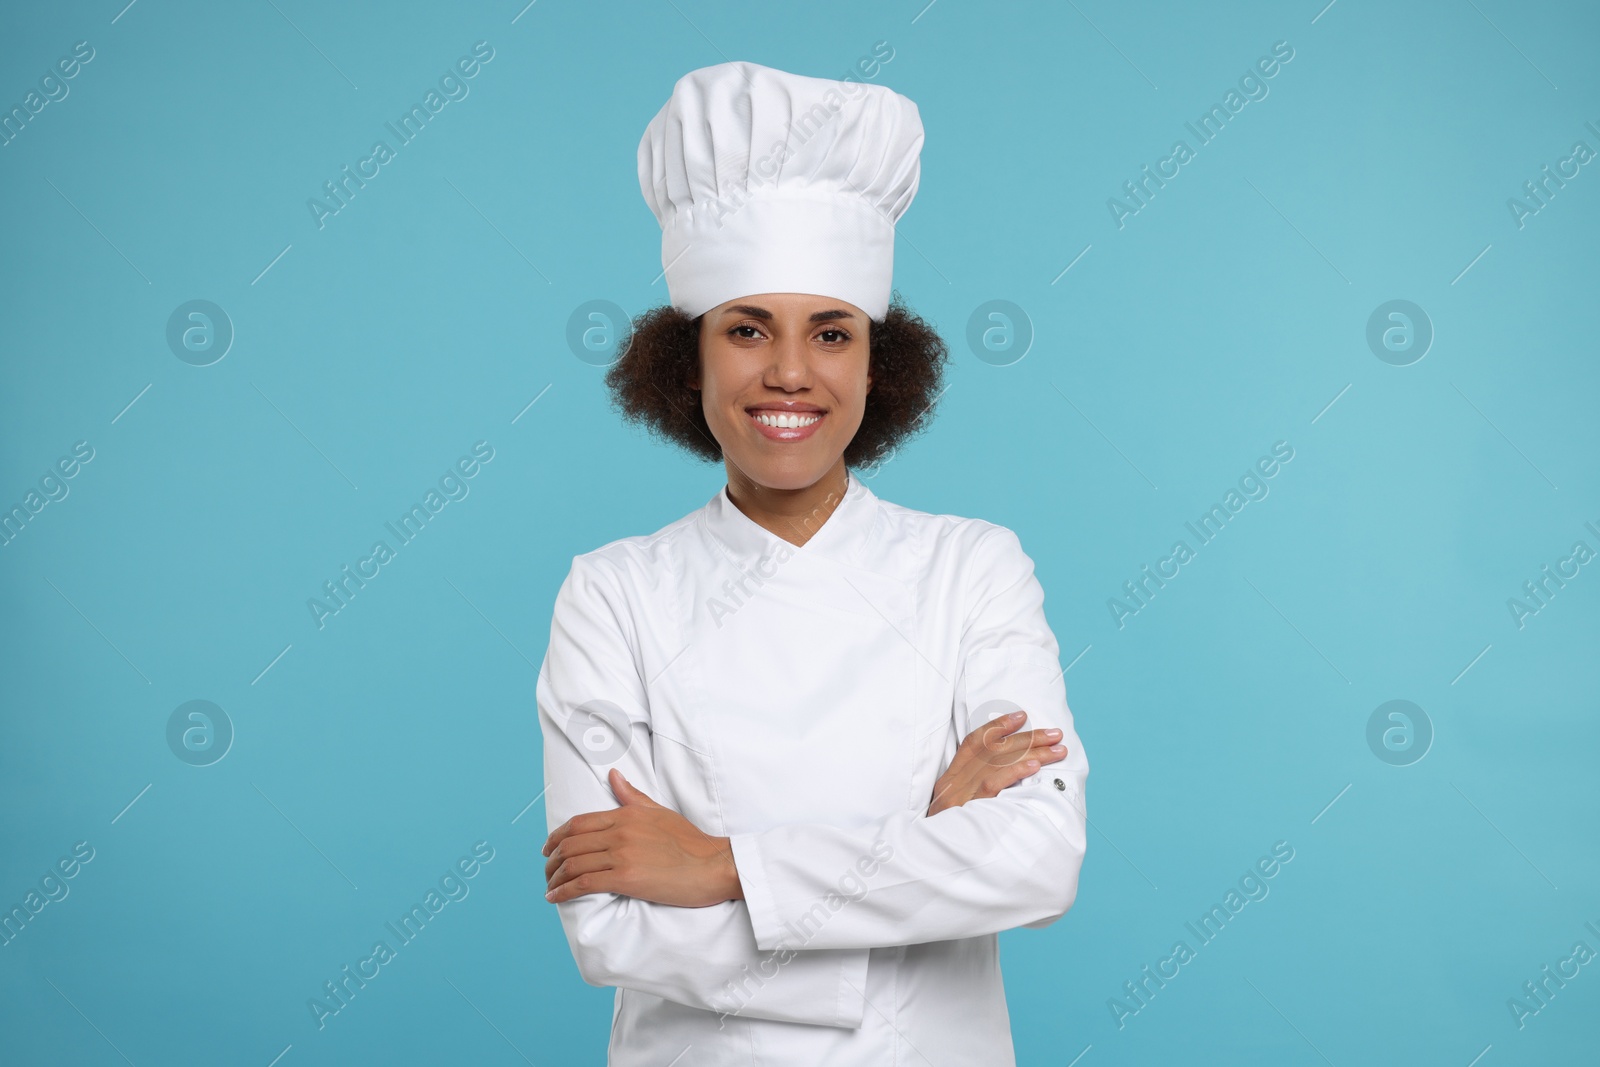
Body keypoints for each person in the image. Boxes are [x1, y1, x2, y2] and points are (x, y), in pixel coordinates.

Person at [537, 60, 1089, 1066]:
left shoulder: (972, 567)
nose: (789, 371)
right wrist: (920, 849)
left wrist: (719, 866)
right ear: (686, 359)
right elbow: (612, 925)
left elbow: (1038, 857)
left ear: (878, 364)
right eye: (746, 329)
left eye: (830, 332)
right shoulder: (612, 592)